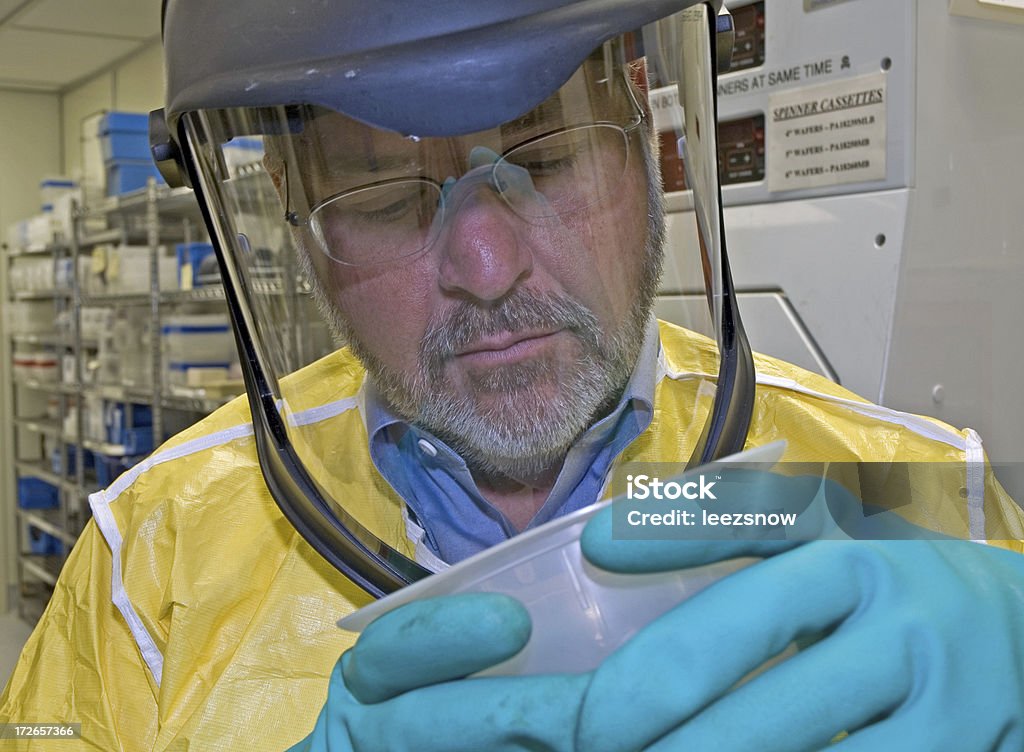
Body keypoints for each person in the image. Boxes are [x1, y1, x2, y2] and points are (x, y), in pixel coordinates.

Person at [3, 1, 1024, 749]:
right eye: (386, 195)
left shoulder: (912, 488)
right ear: (295, 222)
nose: (486, 271)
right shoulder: (151, 558)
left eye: (547, 159)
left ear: (646, 148)